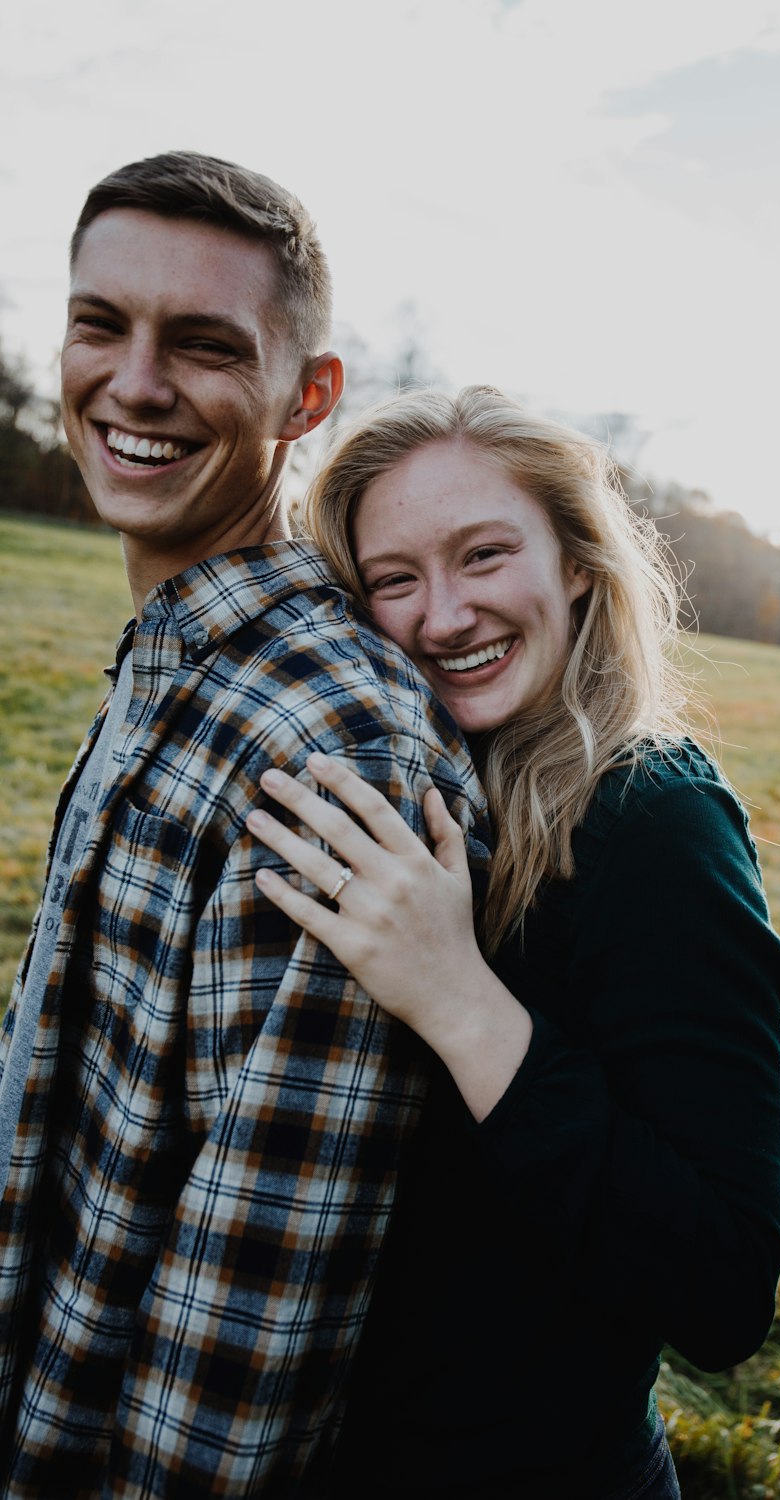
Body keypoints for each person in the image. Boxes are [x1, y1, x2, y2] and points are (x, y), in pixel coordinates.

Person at [0, 154, 488, 1498]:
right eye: (101, 324)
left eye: (207, 346)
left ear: (306, 396)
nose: (135, 383)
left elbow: (247, 1337)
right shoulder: (174, 657)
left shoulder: (332, 752)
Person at [247, 385, 780, 1499]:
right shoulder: (423, 779)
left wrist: (461, 1003)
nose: (444, 616)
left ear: (578, 564)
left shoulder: (655, 821)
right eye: (395, 579)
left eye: (484, 555)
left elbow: (723, 1289)